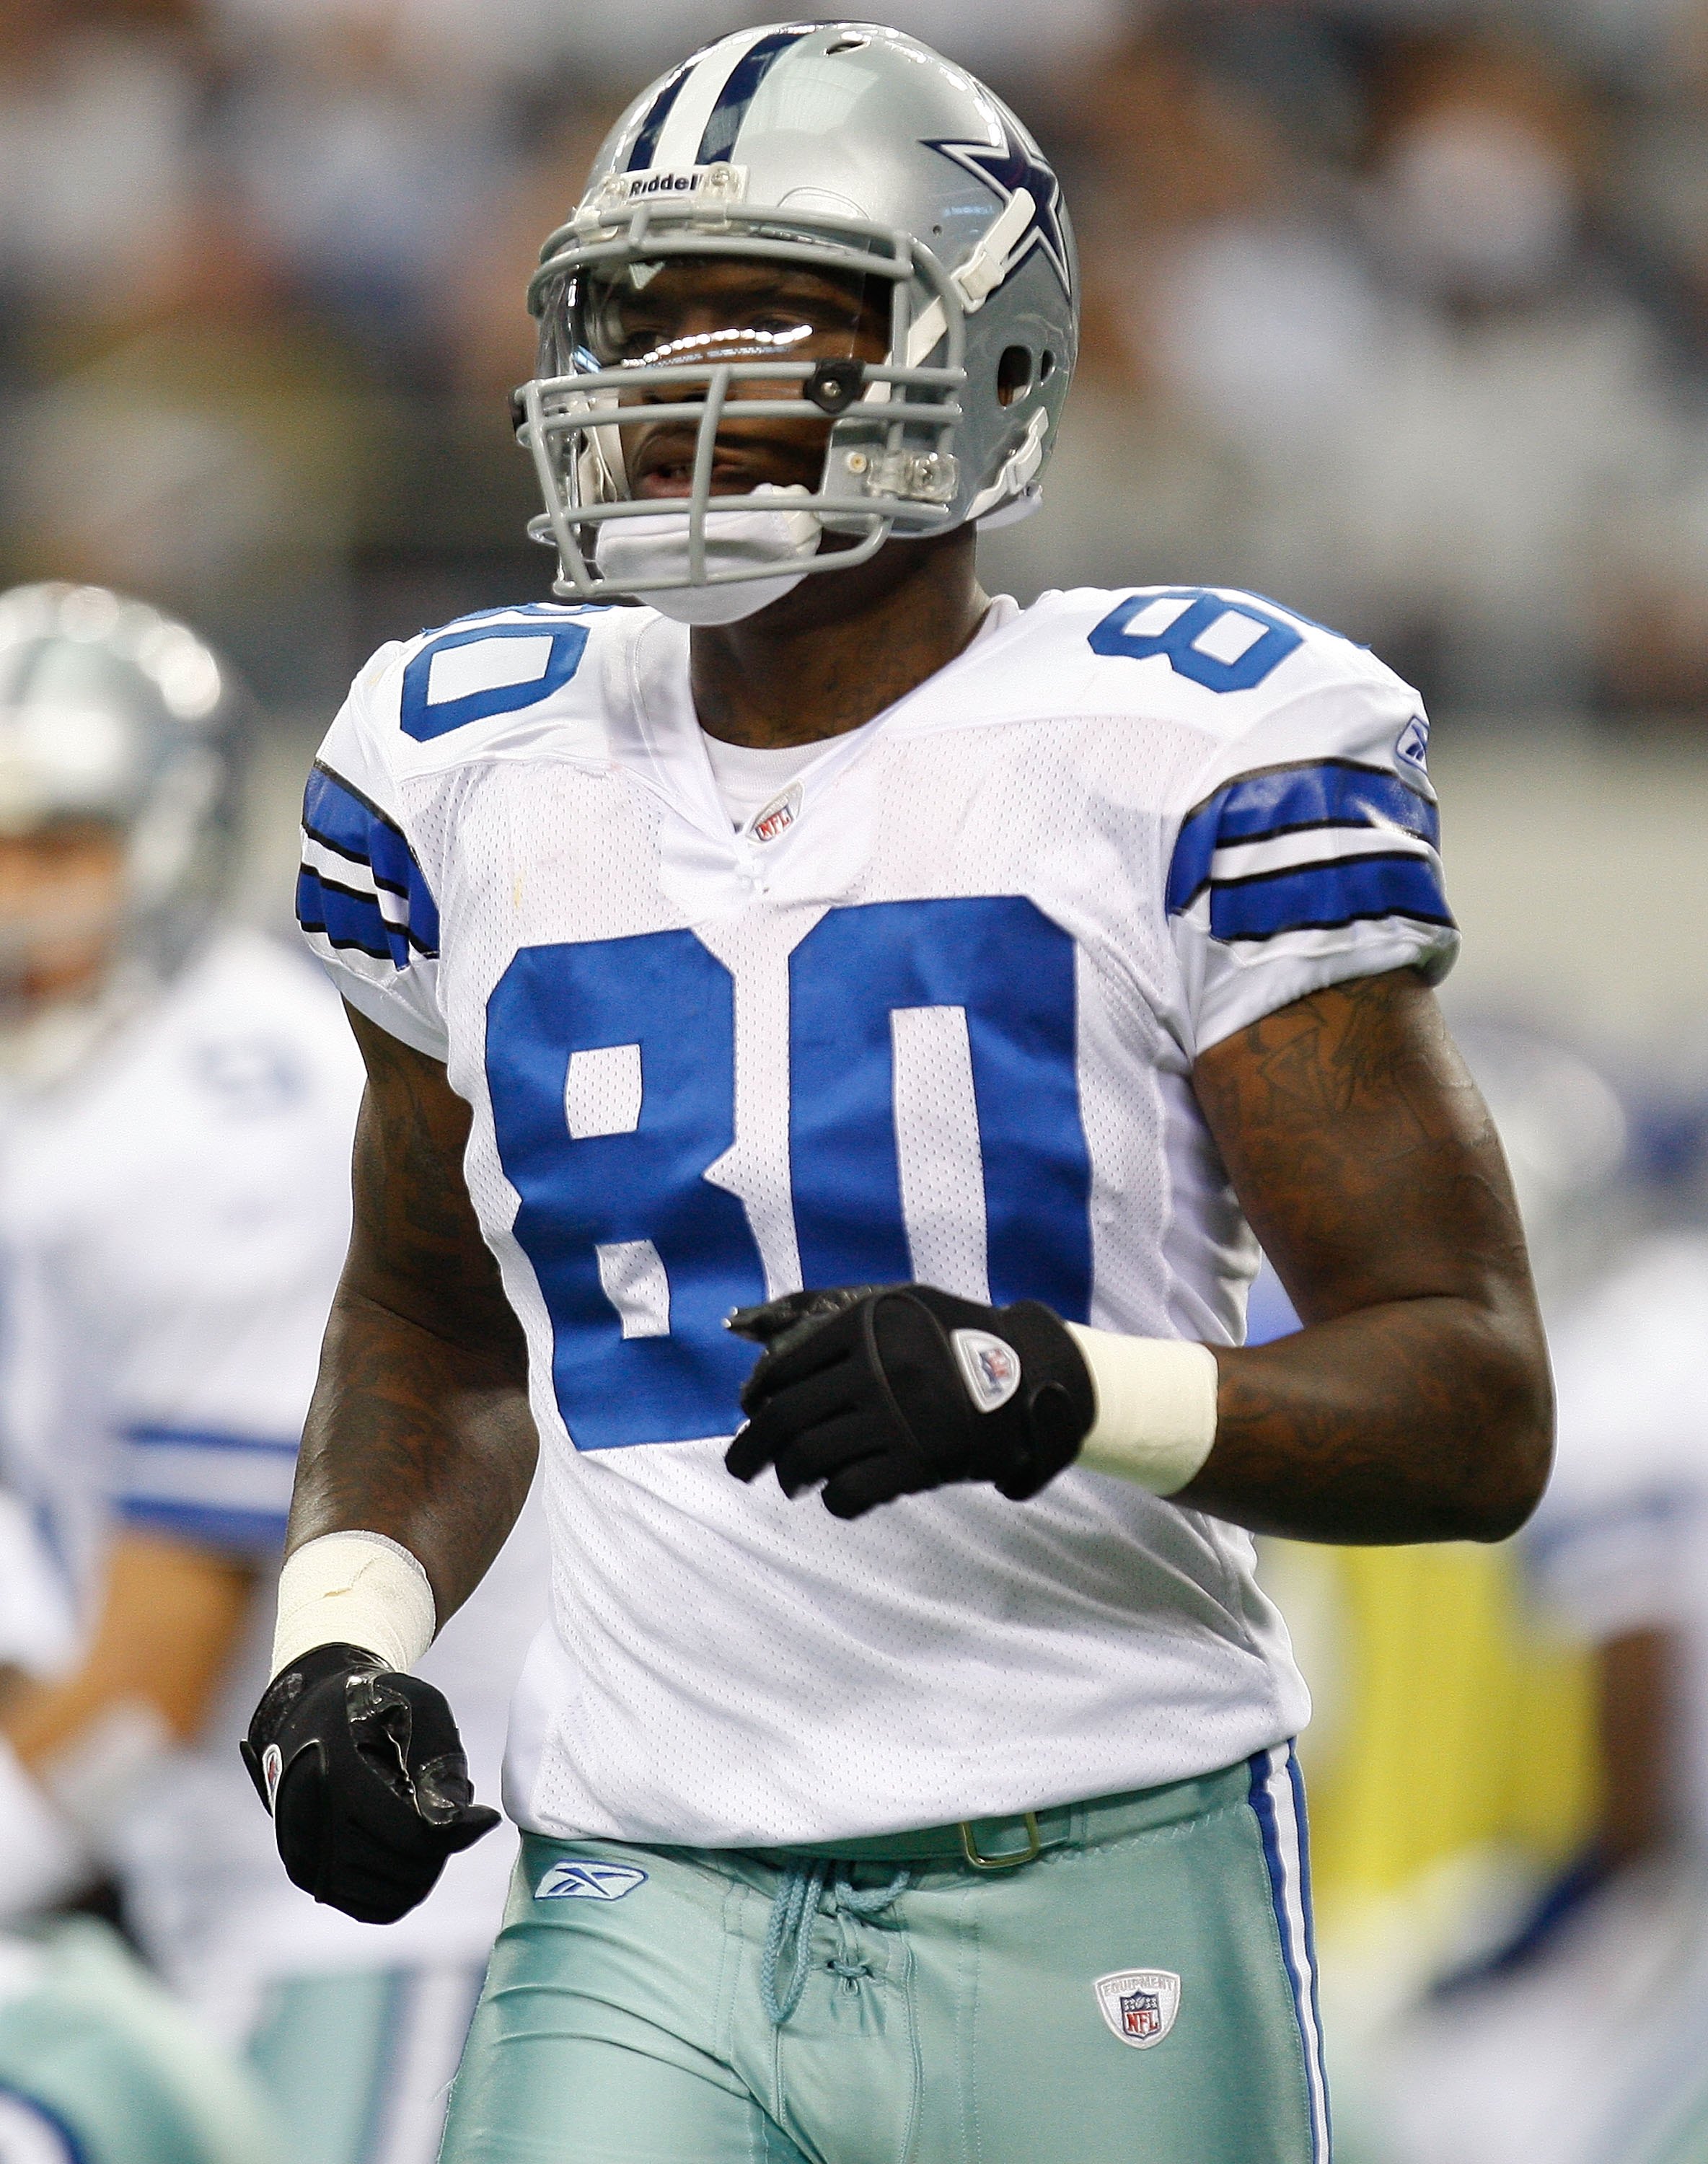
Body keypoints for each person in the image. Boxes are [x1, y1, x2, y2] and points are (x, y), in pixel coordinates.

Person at [253, 25, 1552, 2164]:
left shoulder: (1181, 749)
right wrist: (339, 1646)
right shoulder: (460, 761)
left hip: (1089, 1850)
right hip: (637, 1874)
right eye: (642, 316)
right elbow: (428, 1323)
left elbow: (1475, 1400)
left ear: (988, 363)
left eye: (761, 316)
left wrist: (1059, 1389)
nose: (674, 382)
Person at [0, 581, 547, 2164]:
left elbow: (156, 1675)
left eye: (61, 846)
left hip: (359, 1890)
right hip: (194, 1870)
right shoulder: (72, 1096)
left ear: (173, 841)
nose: (18, 901)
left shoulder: (231, 1111)